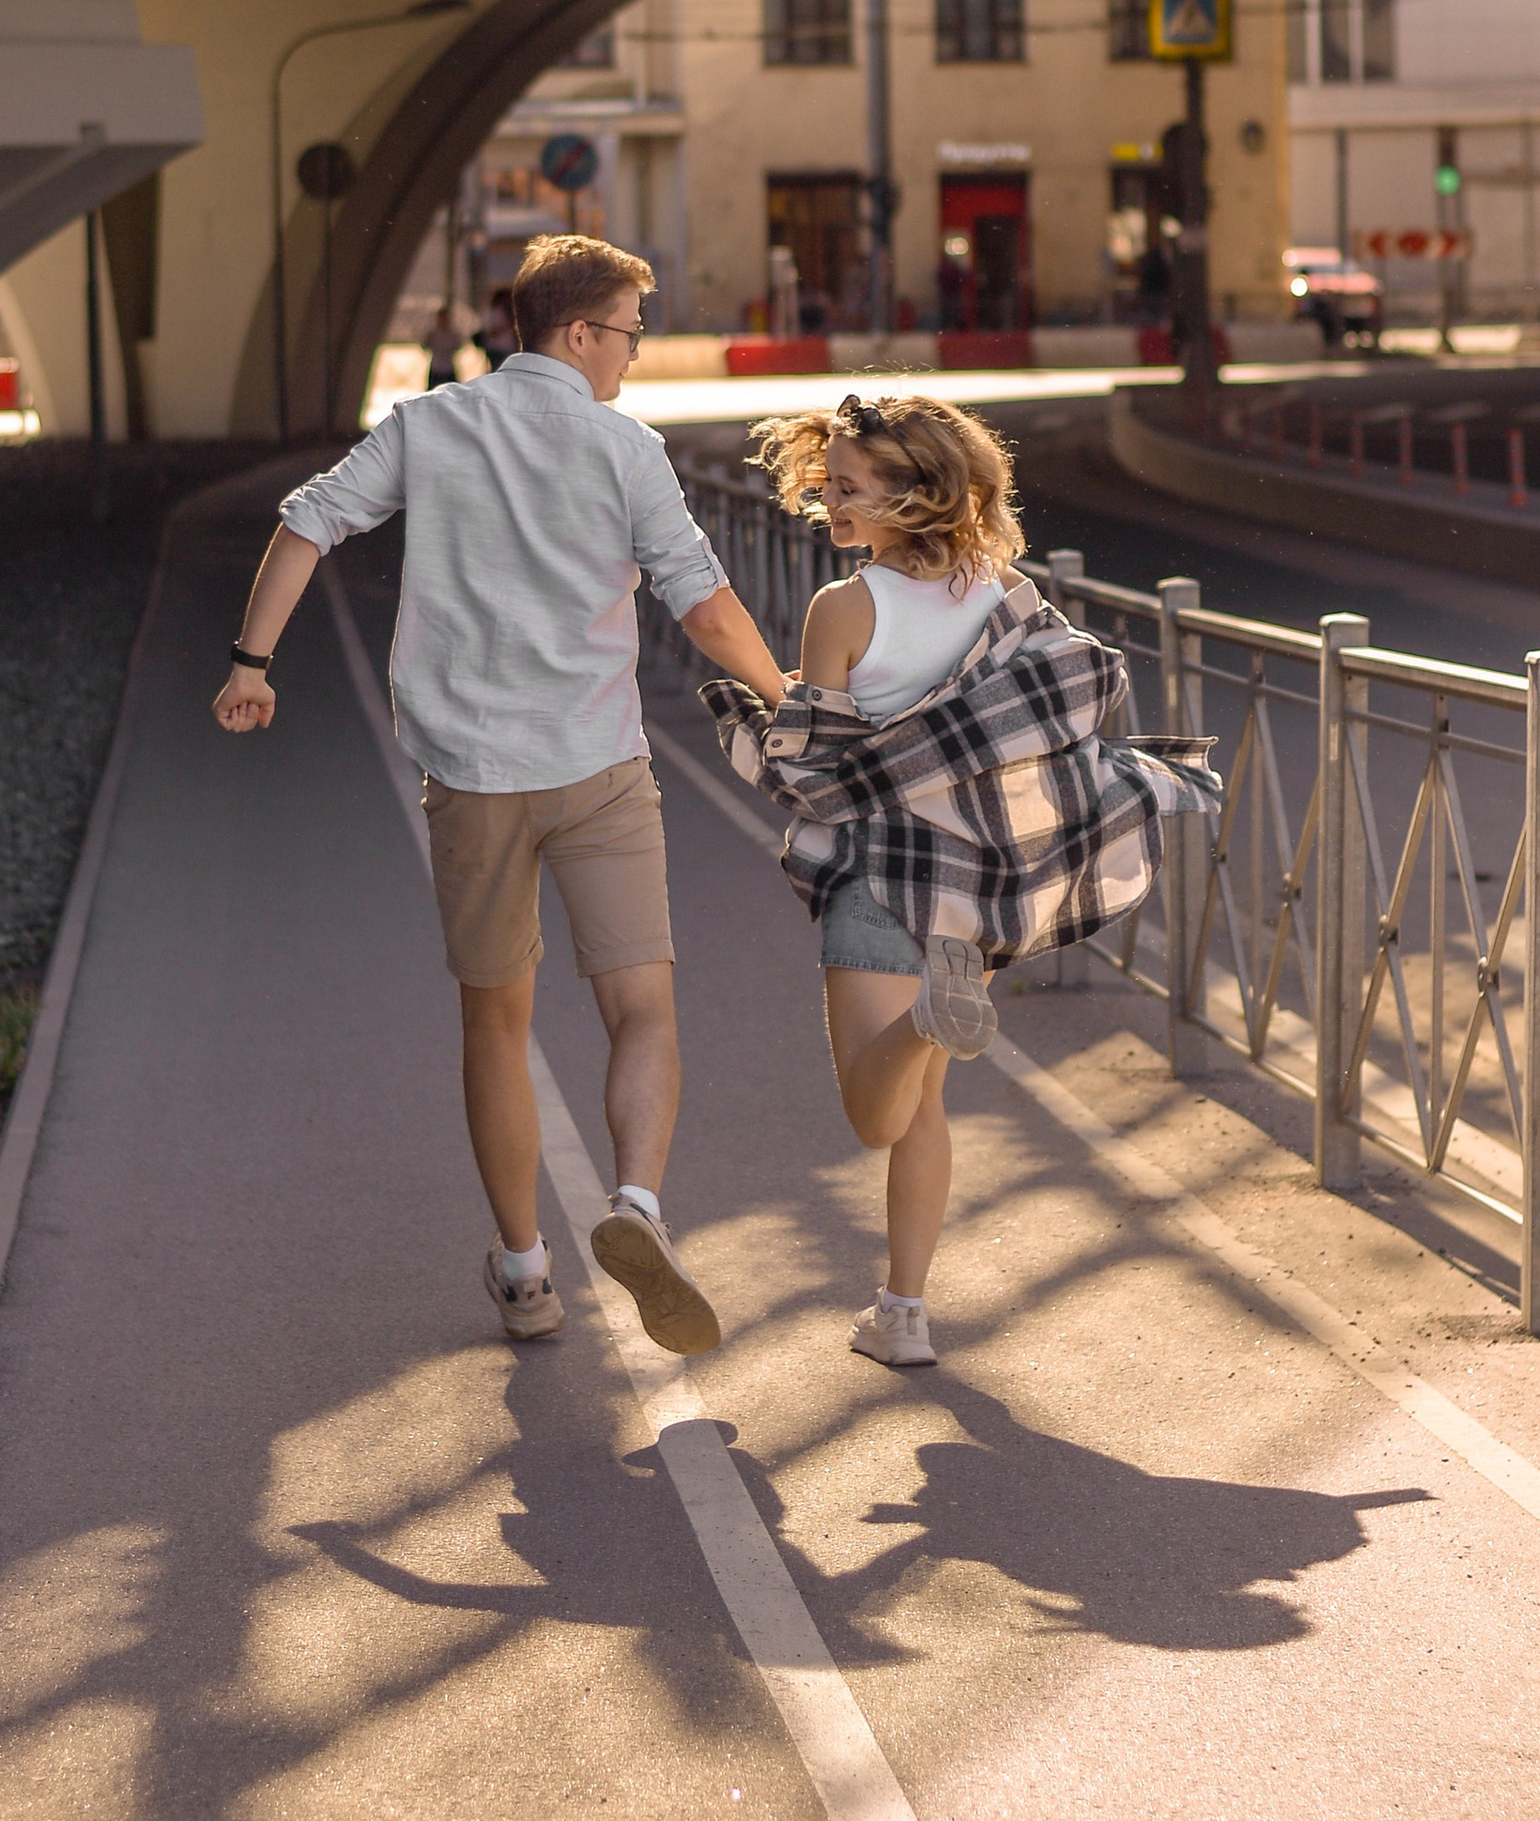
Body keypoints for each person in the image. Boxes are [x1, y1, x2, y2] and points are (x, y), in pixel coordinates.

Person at [213, 232, 785, 1354]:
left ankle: (525, 1269)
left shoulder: (431, 426)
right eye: (626, 332)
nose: (631, 354)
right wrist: (790, 693)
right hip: (599, 768)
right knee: (643, 1008)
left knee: (496, 1020)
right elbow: (705, 608)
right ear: (578, 333)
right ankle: (637, 1206)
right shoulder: (625, 448)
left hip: (472, 777)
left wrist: (250, 665)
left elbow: (305, 524)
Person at [712, 392, 1205, 1372]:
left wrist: (754, 733)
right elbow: (1052, 717)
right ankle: (903, 1312)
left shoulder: (843, 609)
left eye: (850, 488)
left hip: (885, 877)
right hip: (977, 890)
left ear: (916, 494)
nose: (829, 503)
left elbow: (820, 767)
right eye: (826, 484)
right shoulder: (1010, 596)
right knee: (924, 1114)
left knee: (874, 1109)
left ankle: (927, 1022)